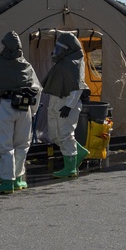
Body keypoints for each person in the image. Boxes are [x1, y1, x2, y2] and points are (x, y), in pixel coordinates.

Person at [0, 31, 41, 194]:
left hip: (5, 107)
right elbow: (37, 89)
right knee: (22, 145)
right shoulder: (26, 65)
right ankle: (19, 179)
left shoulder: (0, 65)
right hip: (25, 109)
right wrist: (33, 111)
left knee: (5, 145)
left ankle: (8, 181)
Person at [42, 31, 90, 178]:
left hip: (67, 103)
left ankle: (70, 168)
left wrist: (69, 105)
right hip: (56, 101)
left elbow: (77, 87)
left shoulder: (74, 64)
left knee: (65, 134)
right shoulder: (62, 63)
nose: (57, 52)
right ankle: (79, 152)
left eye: (60, 49)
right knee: (54, 134)